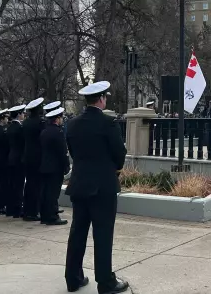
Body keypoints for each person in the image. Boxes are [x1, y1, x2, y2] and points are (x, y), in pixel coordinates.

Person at [65, 81, 129, 294]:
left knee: (78, 232)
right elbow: (119, 154)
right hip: (102, 186)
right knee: (102, 235)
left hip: (79, 184)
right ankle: (105, 282)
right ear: (101, 99)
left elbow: (73, 152)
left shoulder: (72, 124)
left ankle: (73, 278)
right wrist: (113, 169)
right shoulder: (108, 123)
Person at [39, 107, 69, 226]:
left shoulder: (44, 131)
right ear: (57, 119)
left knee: (45, 191)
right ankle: (52, 216)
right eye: (61, 118)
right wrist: (66, 165)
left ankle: (44, 216)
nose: (62, 120)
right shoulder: (58, 132)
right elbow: (62, 151)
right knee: (53, 193)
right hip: (55, 167)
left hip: (45, 165)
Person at [22, 97, 46, 222]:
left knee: (29, 184)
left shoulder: (26, 122)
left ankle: (27, 210)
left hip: (27, 155)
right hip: (37, 156)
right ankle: (33, 211)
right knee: (36, 185)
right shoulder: (40, 123)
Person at [6, 104, 27, 218]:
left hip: (11, 157)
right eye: (23, 113)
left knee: (12, 184)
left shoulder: (9, 127)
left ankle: (10, 208)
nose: (24, 115)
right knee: (19, 185)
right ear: (19, 114)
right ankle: (18, 209)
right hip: (19, 159)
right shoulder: (20, 128)